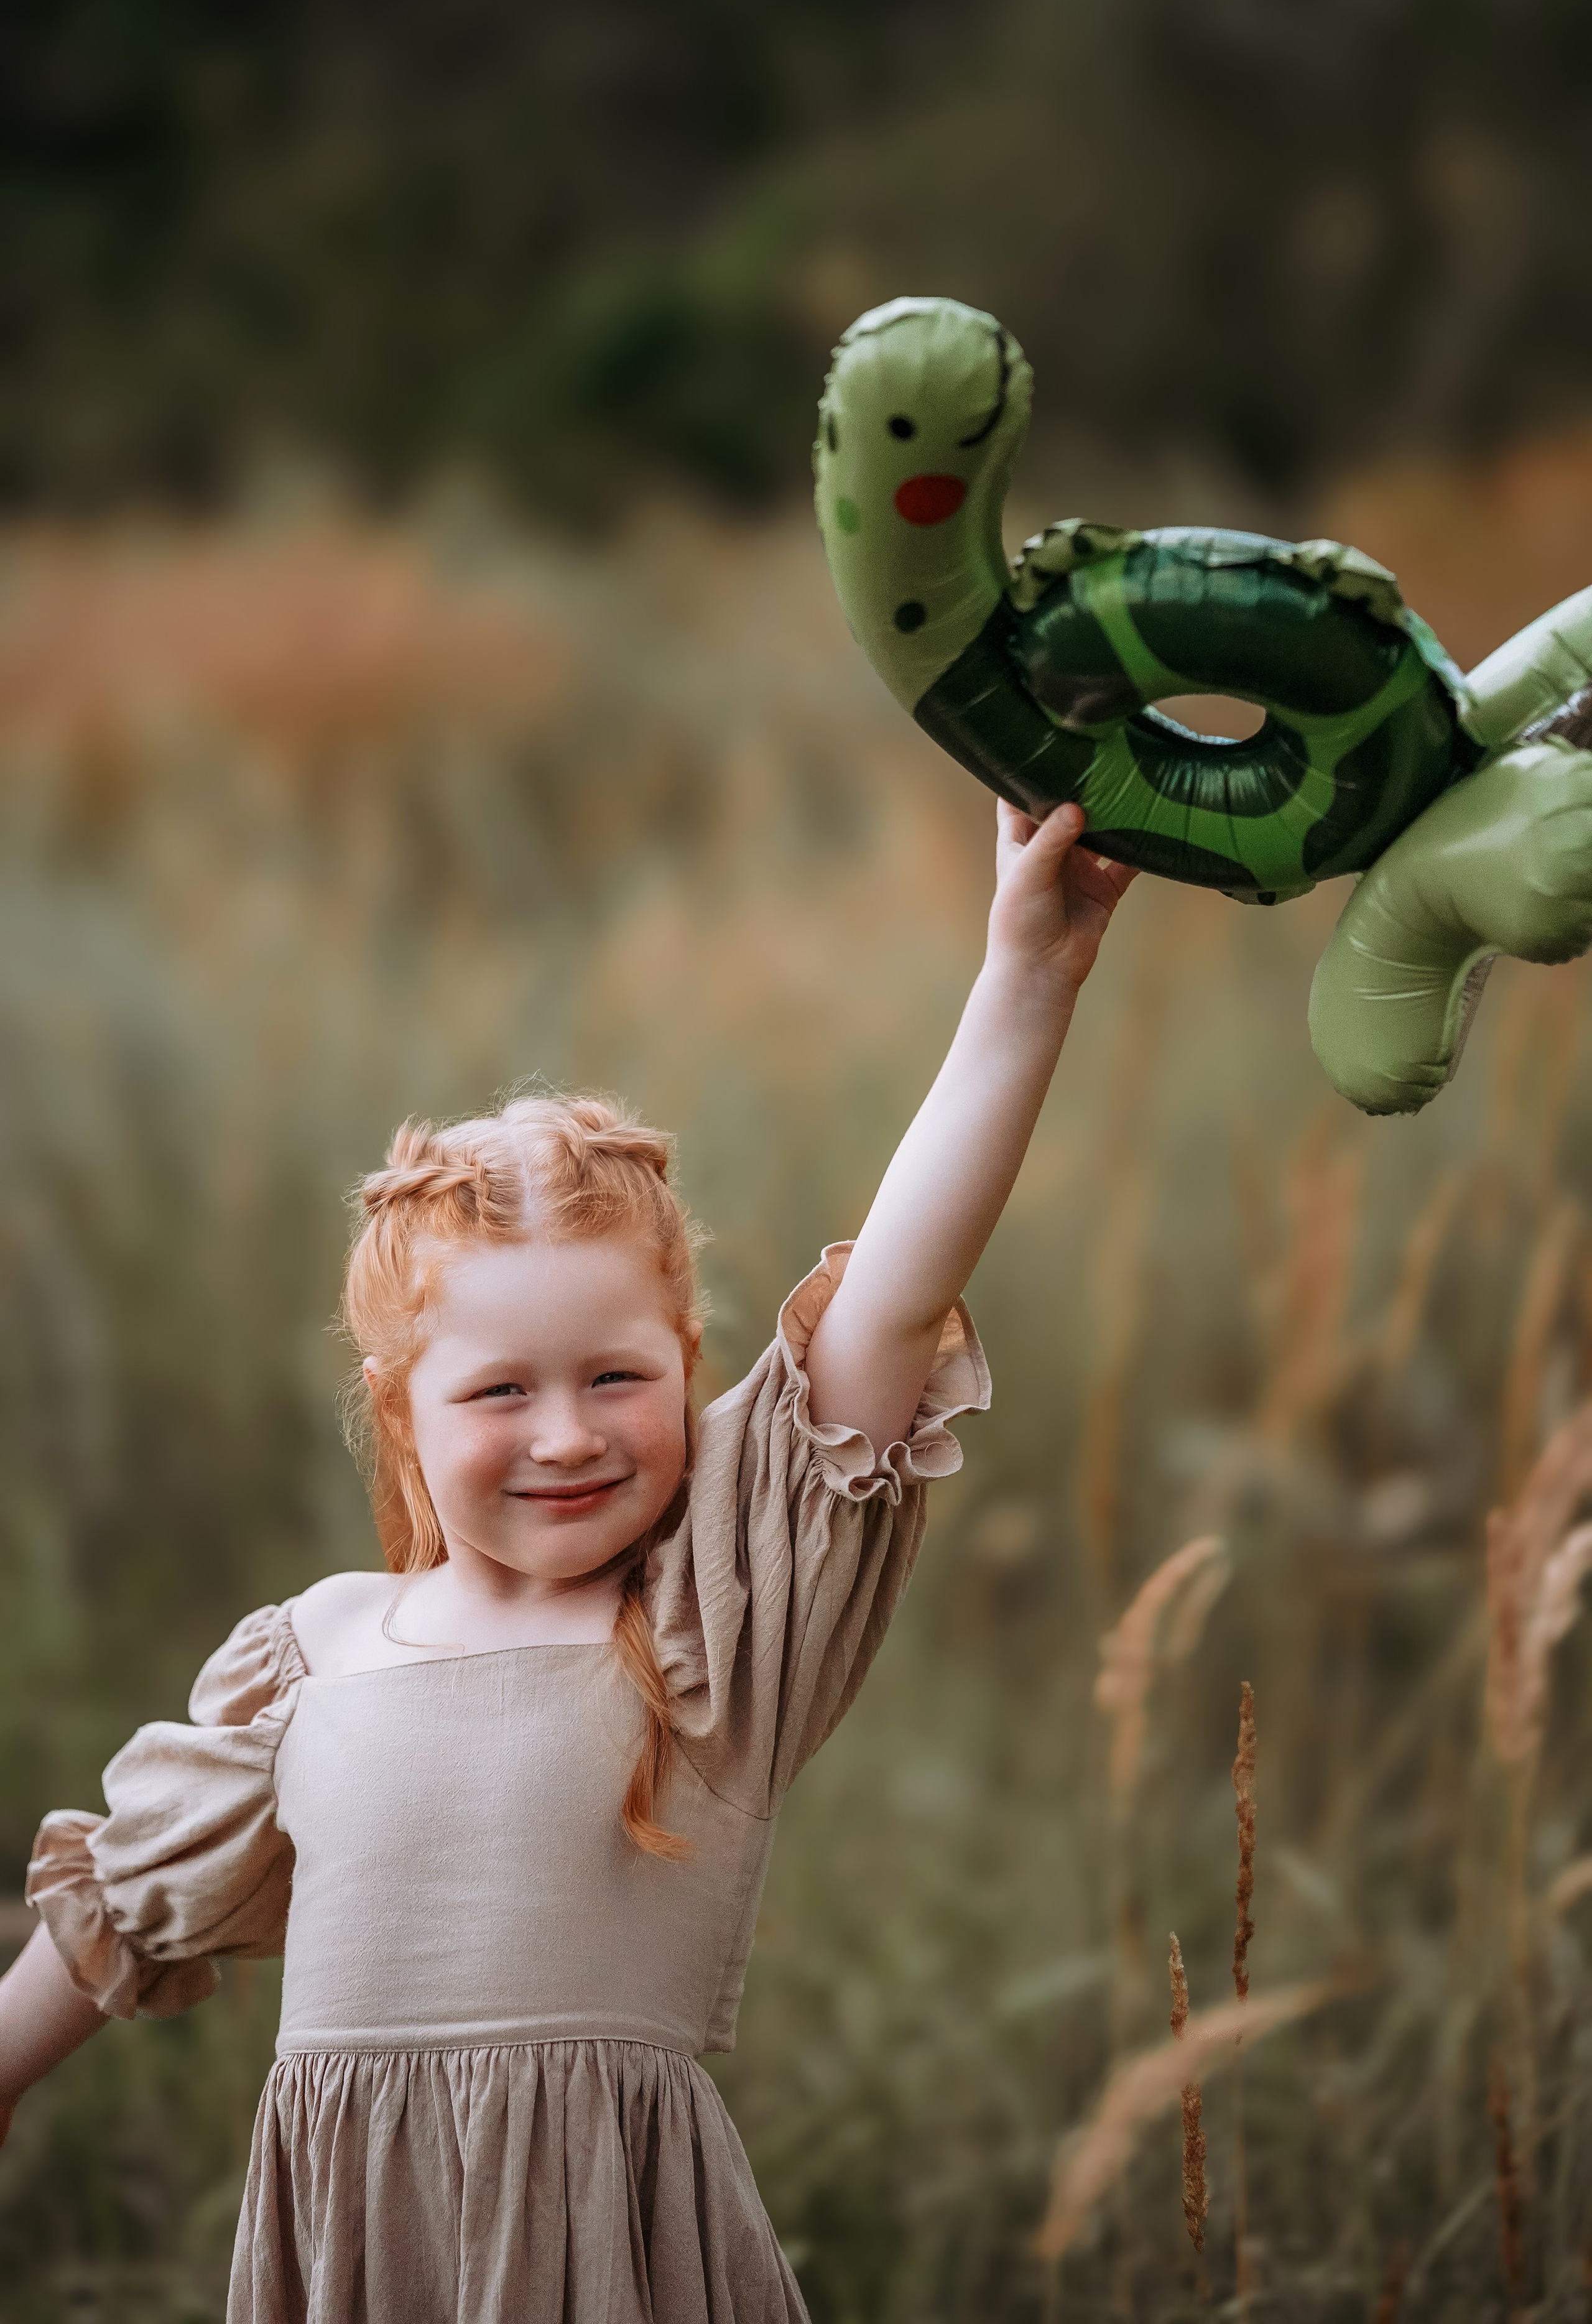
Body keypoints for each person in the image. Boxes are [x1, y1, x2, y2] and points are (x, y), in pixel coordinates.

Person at [0, 799, 1132, 2322]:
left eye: (615, 1378)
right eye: (498, 1393)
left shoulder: (709, 1622)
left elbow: (893, 1294)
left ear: (684, 1366)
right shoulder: (317, 1651)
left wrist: (1026, 976)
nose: (565, 1438)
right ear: (399, 1410)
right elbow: (131, 1905)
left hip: (616, 2251)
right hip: (363, 2255)